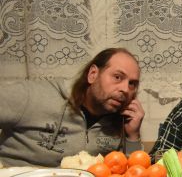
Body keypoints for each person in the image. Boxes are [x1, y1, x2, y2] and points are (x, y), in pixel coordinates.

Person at [0, 47, 144, 167]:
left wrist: (132, 136)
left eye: (132, 84)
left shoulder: (119, 121)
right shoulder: (31, 95)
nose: (125, 89)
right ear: (93, 74)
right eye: (117, 77)